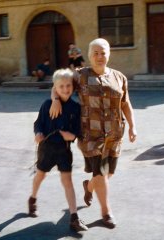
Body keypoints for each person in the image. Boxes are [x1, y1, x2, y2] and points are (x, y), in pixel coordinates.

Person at [50, 38, 137, 229]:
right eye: (95, 53)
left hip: (114, 134)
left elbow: (125, 103)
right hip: (91, 135)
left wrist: (132, 126)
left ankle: (88, 187)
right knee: (102, 173)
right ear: (89, 55)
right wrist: (55, 99)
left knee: (107, 174)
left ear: (108, 54)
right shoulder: (79, 75)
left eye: (103, 52)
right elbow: (58, 84)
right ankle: (106, 213)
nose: (99, 56)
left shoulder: (119, 77)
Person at [28, 68, 88, 232]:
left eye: (68, 85)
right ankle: (32, 198)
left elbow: (77, 131)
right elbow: (38, 123)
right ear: (55, 87)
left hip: (64, 150)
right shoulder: (47, 104)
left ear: (73, 87)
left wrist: (72, 136)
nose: (65, 89)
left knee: (67, 181)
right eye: (61, 86)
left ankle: (74, 218)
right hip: (46, 148)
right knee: (40, 175)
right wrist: (38, 133)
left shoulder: (75, 108)